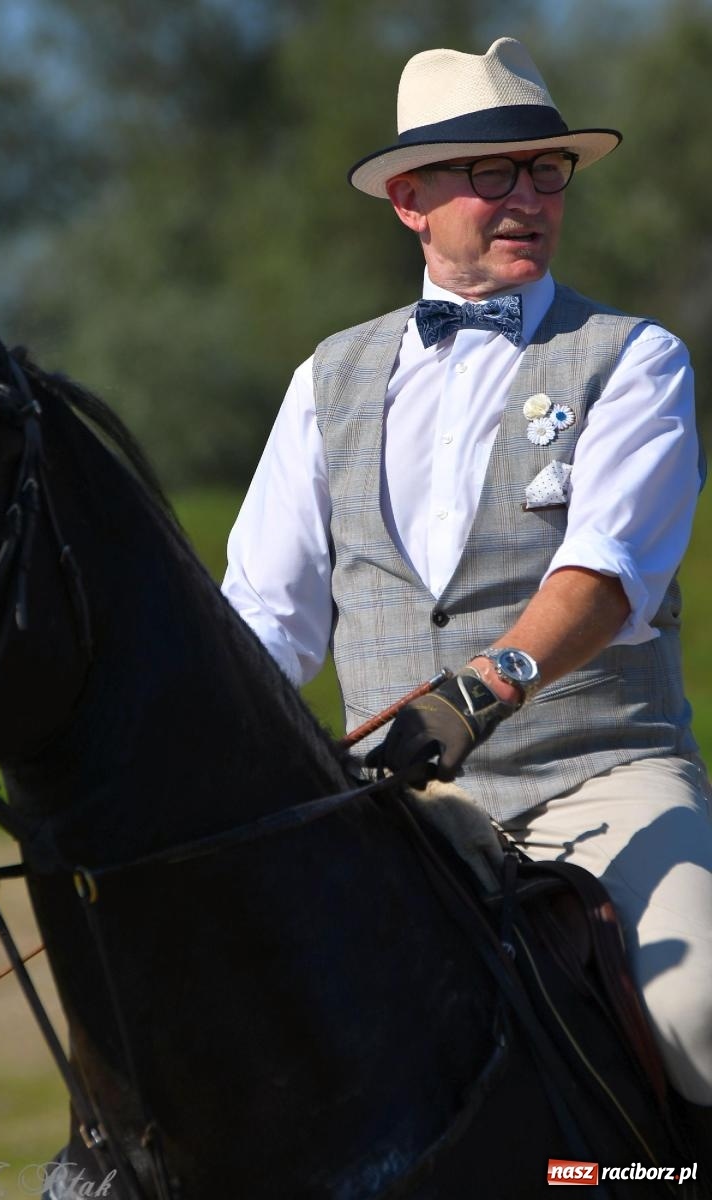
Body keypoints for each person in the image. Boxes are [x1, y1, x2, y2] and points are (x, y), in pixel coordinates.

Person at [222, 35, 712, 1135]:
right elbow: (266, 618)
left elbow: (603, 575)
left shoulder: (634, 359)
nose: (526, 197)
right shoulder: (325, 378)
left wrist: (475, 694)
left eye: (545, 170)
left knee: (700, 1014)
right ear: (409, 200)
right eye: (491, 173)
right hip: (390, 810)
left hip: (596, 783)